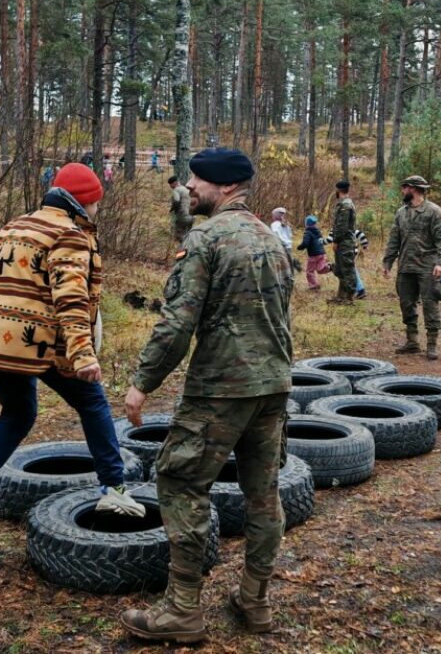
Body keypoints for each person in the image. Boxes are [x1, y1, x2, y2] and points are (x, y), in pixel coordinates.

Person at [121, 148, 294, 643]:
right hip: (274, 385)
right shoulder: (271, 239)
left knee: (179, 481)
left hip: (221, 387)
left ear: (222, 185)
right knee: (263, 496)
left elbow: (178, 321)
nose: (189, 187)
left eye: (197, 179)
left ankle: (181, 611)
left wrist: (142, 382)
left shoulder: (207, 238)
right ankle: (255, 601)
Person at [0, 162, 144, 540]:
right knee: (93, 402)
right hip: (39, 343)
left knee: (18, 413)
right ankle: (114, 489)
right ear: (83, 202)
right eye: (96, 203)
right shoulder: (69, 234)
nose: (98, 210)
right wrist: (83, 355)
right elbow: (71, 300)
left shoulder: (14, 225)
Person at [382, 174, 441, 360]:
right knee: (406, 303)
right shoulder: (401, 213)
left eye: (404, 187)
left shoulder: (434, 212)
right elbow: (394, 239)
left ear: (413, 188)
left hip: (427, 266)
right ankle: (412, 341)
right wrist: (388, 262)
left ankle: (431, 344)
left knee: (430, 303)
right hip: (406, 266)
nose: (402, 190)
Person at [328, 180, 357, 305]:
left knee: (346, 269)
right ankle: (341, 296)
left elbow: (341, 226)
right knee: (340, 269)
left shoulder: (345, 205)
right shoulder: (346, 203)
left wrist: (336, 241)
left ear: (338, 190)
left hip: (344, 242)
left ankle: (349, 297)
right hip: (344, 242)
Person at [325, 225, 369, 299]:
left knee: (350, 270)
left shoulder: (336, 228)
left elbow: (329, 239)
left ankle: (360, 290)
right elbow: (361, 235)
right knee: (351, 269)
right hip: (353, 251)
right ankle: (358, 290)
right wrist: (365, 245)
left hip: (345, 251)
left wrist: (320, 242)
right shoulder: (351, 228)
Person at [297, 215, 329, 290]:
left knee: (309, 271)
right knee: (320, 269)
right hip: (322, 254)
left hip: (314, 255)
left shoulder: (307, 232)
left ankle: (314, 285)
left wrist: (300, 247)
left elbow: (305, 243)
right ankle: (330, 267)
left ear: (306, 224)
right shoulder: (318, 231)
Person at [167, 175, 193, 243]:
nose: (170, 187)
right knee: (188, 234)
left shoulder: (176, 190)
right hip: (192, 216)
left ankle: (182, 251)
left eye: (170, 185)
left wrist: (171, 209)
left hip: (182, 216)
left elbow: (176, 200)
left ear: (174, 183)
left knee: (180, 236)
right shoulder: (186, 189)